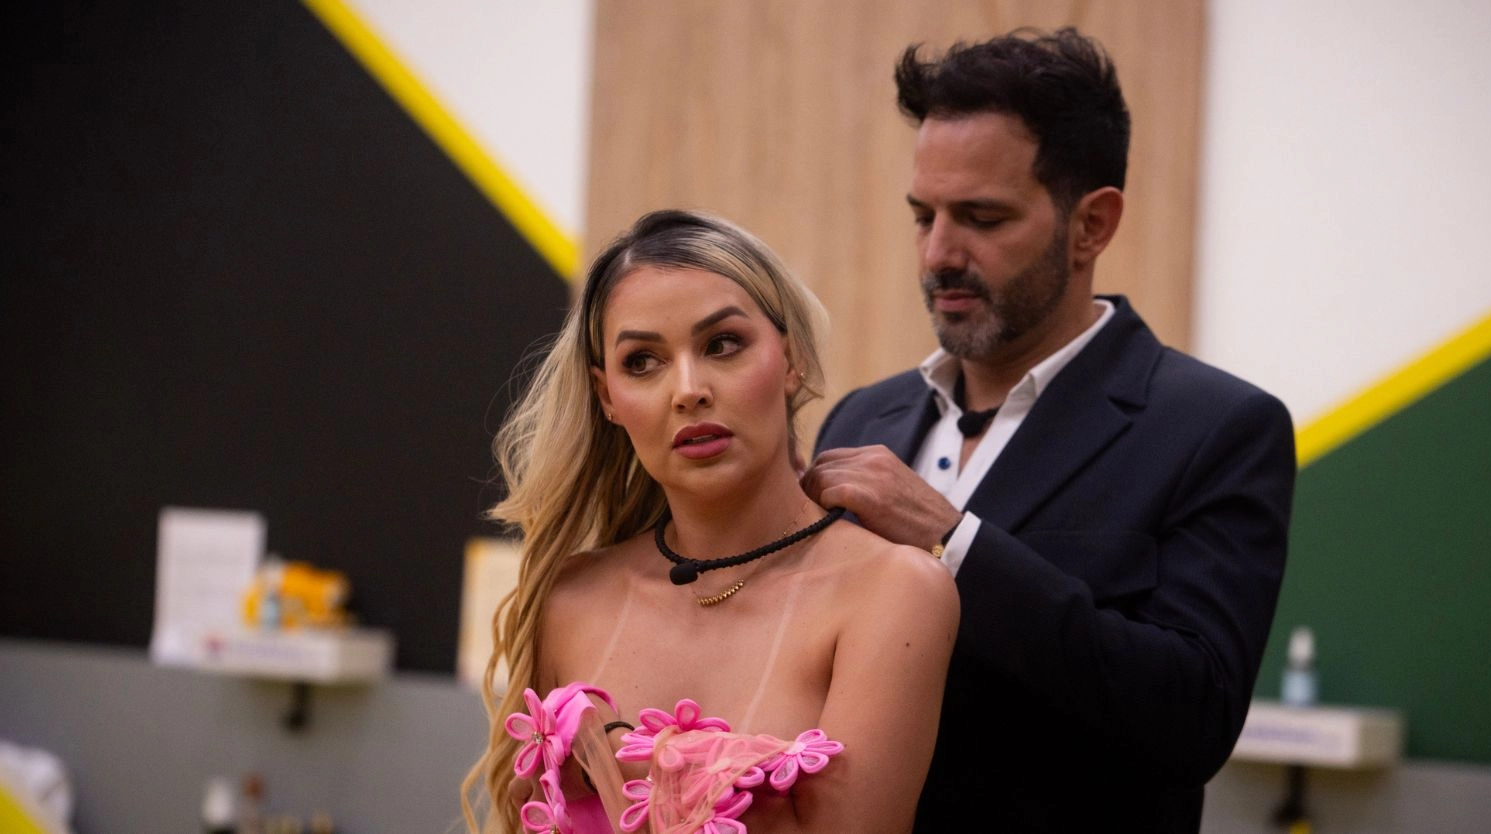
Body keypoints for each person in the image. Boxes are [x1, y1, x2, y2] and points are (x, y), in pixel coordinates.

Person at [803, 28, 1297, 832]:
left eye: (982, 218)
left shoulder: (1218, 430)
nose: (938, 254)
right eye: (923, 216)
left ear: (1092, 225)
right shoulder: (862, 418)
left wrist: (953, 542)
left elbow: (1193, 713)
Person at [461, 209, 958, 834]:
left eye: (722, 344)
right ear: (607, 395)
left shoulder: (893, 590)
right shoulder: (571, 597)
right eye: (642, 361)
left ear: (793, 357)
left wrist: (618, 756)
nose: (688, 389)